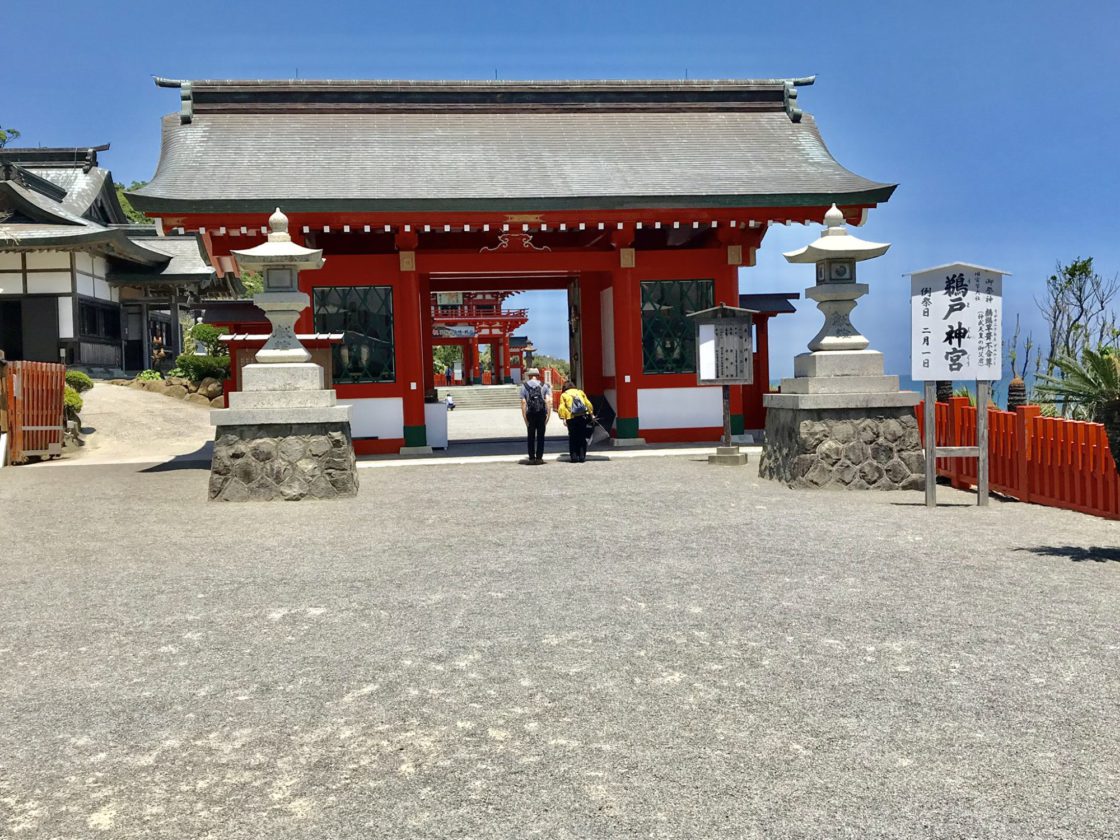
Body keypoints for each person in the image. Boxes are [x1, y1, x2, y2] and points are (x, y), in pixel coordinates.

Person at [519, 367, 551, 464]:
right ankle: (539, 458)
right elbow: (548, 401)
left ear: (529, 376)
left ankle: (532, 458)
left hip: (530, 414)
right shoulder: (544, 386)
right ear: (538, 376)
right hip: (541, 414)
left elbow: (523, 402)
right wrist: (548, 416)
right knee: (541, 436)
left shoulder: (524, 386)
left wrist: (525, 418)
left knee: (531, 437)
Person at [557, 379, 594, 463]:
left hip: (571, 418)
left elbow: (562, 407)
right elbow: (588, 403)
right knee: (582, 436)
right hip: (582, 416)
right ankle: (582, 457)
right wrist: (591, 414)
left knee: (572, 437)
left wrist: (563, 418)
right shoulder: (580, 392)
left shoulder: (564, 395)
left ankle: (574, 457)